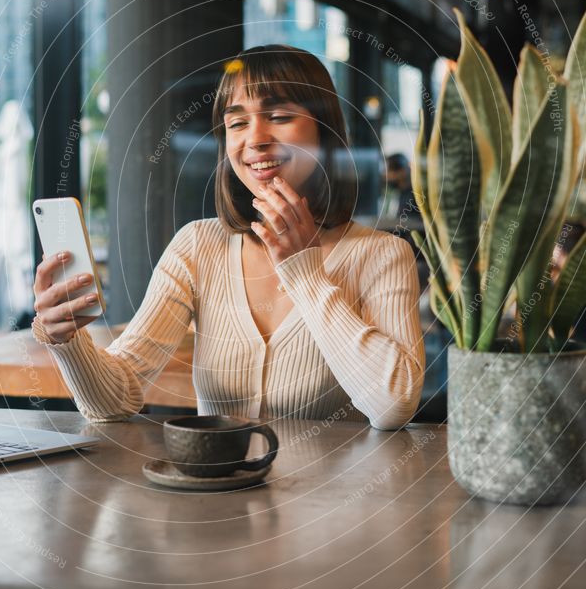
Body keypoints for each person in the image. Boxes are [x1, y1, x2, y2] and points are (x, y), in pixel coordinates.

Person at [32, 45, 425, 428]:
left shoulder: (383, 255)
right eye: (237, 123)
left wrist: (306, 274)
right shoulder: (198, 246)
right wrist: (67, 341)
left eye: (278, 115)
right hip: (218, 494)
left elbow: (393, 406)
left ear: (324, 132)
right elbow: (114, 400)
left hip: (336, 497)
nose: (254, 139)